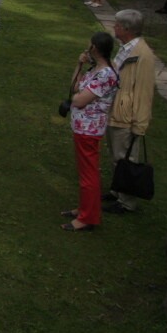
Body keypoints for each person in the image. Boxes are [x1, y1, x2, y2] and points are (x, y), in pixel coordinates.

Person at [61, 31, 119, 232]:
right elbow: (74, 87)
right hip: (82, 127)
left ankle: (88, 217)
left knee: (89, 174)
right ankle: (84, 208)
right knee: (84, 171)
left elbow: (78, 99)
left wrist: (76, 97)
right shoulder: (95, 69)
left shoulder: (106, 74)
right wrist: (79, 65)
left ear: (94, 48)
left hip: (89, 129)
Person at [104, 9, 156, 215]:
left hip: (127, 114)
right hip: (115, 107)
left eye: (116, 25)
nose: (114, 27)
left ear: (126, 29)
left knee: (125, 157)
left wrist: (140, 124)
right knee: (115, 154)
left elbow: (144, 92)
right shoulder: (125, 48)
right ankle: (117, 191)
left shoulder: (143, 56)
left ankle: (127, 202)